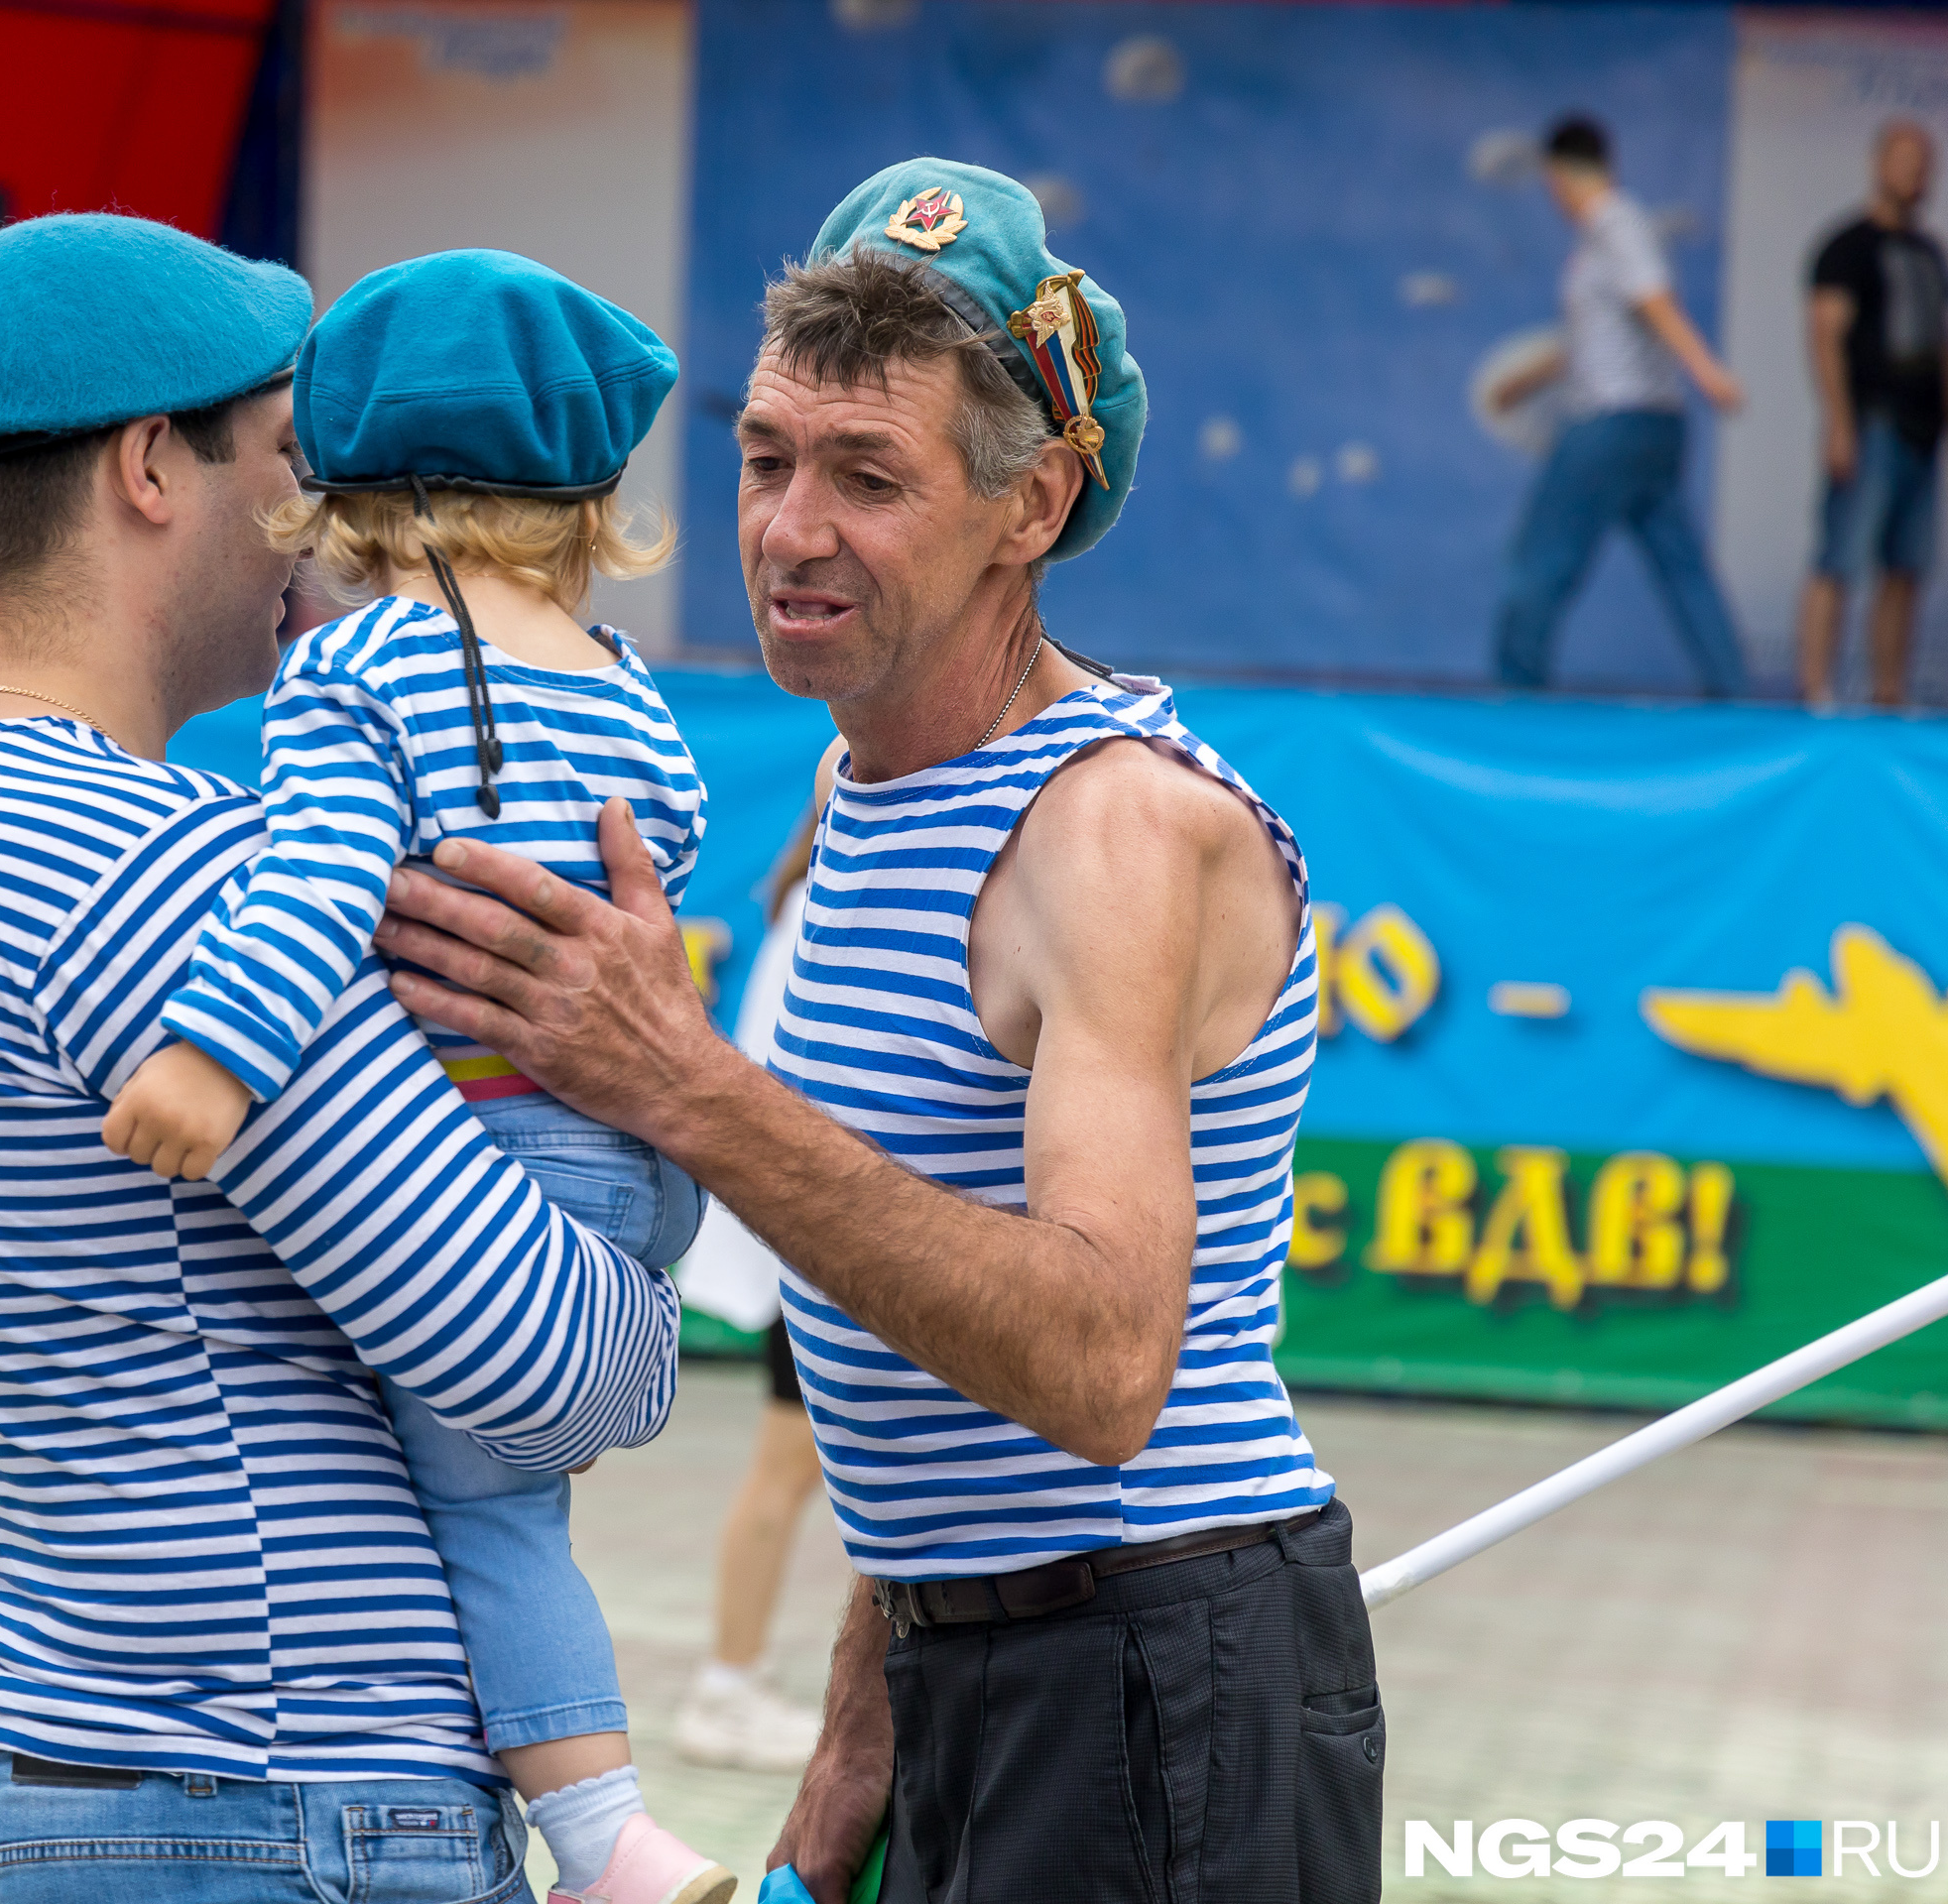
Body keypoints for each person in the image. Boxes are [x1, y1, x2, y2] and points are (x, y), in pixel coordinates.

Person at [373, 159, 1384, 1903]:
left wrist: (685, 1084)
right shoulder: (872, 790)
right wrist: (863, 1722)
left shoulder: (1110, 832)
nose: (788, 527)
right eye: (766, 459)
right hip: (974, 1662)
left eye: (869, 477)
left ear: (1033, 506)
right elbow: (938, 1395)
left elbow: (1096, 1367)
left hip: (1161, 1682)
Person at [0, 211, 693, 1904]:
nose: (318, 542)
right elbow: (561, 1371)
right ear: (146, 468)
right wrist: (665, 1141)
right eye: (283, 463)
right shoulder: (166, 869)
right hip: (280, 1796)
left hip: (55, 1767)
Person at [99, 248, 728, 1902]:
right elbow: (664, 863)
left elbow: (316, 881)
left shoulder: (355, 671)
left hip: (493, 1146)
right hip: (631, 1167)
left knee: (492, 1524)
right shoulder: (634, 692)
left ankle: (603, 1837)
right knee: (530, 1490)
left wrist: (213, 1063)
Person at [670, 816, 828, 1776]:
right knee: (786, 1464)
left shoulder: (805, 904)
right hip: (808, 1250)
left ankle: (736, 1679)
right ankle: (726, 1685)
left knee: (798, 1467)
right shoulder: (822, 912)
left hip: (807, 1243)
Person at [1490, 115, 1749, 696]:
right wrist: (1525, 382)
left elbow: (1654, 302)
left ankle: (1515, 700)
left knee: (1539, 562)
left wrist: (1707, 373)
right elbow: (1598, 338)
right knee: (1683, 567)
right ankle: (1735, 692)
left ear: (1558, 175)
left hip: (1612, 425)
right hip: (1655, 429)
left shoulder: (1616, 224)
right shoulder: (1606, 238)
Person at [1797, 121, 1948, 708]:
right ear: (1879, 164)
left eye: (1924, 163)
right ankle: (1815, 693)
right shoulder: (1847, 247)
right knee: (1839, 557)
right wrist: (1840, 423)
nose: (1915, 174)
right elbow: (1824, 336)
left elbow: (1946, 347)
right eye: (1904, 160)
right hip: (1872, 424)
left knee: (1905, 567)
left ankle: (1888, 695)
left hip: (1924, 432)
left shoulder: (1929, 254)